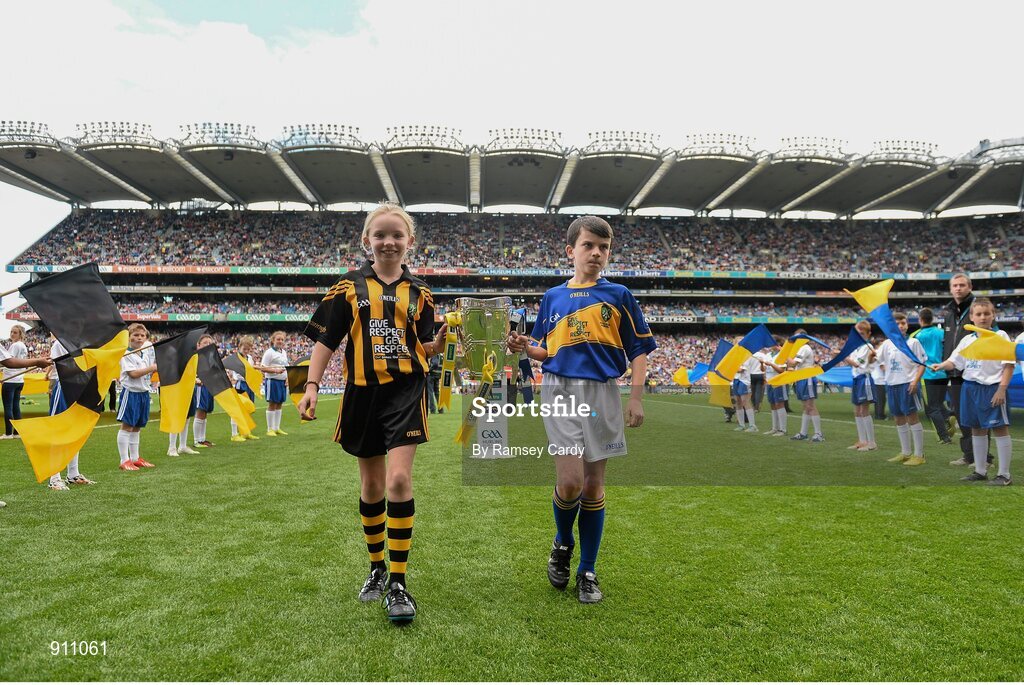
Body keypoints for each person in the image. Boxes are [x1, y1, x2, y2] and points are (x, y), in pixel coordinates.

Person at [298, 202, 448, 624]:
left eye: (397, 235)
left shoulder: (421, 294)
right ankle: (376, 567)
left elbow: (423, 346)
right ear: (367, 240)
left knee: (399, 480)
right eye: (380, 234)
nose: (388, 241)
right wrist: (311, 386)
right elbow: (325, 342)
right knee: (372, 485)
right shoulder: (347, 287)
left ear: (410, 242)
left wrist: (441, 344)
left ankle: (399, 582)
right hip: (361, 394)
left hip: (406, 391)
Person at [508, 215, 657, 605]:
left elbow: (640, 349)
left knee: (593, 485)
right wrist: (525, 346)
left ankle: (587, 569)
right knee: (571, 481)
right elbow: (544, 349)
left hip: (603, 393)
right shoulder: (553, 297)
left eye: (603, 247)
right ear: (570, 251)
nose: (596, 253)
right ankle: (562, 542)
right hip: (559, 389)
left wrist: (636, 397)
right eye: (589, 245)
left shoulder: (620, 295)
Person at [931, 298, 1013, 485]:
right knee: (976, 429)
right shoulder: (967, 339)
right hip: (970, 388)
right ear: (972, 317)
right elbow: (955, 361)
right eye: (978, 314)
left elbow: (1008, 365)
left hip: (992, 388)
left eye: (987, 313)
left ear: (993, 315)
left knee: (1000, 429)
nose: (983, 317)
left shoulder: (1000, 336)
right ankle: (980, 470)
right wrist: (940, 365)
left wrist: (1001, 390)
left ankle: (1004, 475)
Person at [940, 273, 989, 466]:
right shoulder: (949, 313)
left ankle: (985, 459)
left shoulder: (978, 309)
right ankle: (969, 456)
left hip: (975, 373)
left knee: (980, 418)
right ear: (951, 289)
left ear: (969, 287)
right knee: (963, 417)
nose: (958, 288)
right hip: (954, 371)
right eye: (955, 285)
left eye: (962, 285)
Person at [878, 313, 927, 465]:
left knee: (912, 417)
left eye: (903, 323)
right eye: (897, 323)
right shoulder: (887, 344)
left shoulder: (913, 342)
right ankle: (905, 452)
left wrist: (915, 381)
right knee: (898, 418)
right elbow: (880, 361)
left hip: (908, 383)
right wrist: (887, 371)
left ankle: (919, 455)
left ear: (907, 325)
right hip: (892, 384)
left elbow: (922, 364)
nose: (901, 326)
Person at [117, 323, 157, 471]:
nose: (139, 338)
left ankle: (135, 458)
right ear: (129, 337)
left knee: (137, 427)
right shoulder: (126, 353)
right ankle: (124, 460)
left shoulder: (145, 352)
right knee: (127, 426)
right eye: (135, 335)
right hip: (131, 392)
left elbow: (150, 348)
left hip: (143, 392)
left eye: (142, 335)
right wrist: (151, 368)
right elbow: (133, 374)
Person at [912, 307, 955, 444]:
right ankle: (949, 415)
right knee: (938, 403)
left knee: (932, 408)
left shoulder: (917, 336)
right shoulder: (941, 332)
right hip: (943, 372)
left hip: (928, 374)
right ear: (932, 319)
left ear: (920, 320)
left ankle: (944, 436)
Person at [845, 320, 877, 452]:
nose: (859, 336)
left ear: (868, 334)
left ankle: (871, 442)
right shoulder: (855, 347)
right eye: (858, 333)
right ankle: (862, 440)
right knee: (857, 411)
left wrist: (843, 357)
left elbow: (858, 364)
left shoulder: (867, 347)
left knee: (864, 410)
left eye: (862, 333)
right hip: (857, 379)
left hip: (865, 379)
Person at [788, 329, 823, 443]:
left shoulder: (804, 348)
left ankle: (818, 433)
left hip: (806, 378)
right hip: (802, 378)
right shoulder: (801, 348)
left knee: (810, 406)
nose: (795, 340)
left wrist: (786, 356)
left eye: (797, 337)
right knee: (806, 407)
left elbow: (794, 363)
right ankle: (803, 433)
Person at [229, 335, 262, 442]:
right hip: (241, 384)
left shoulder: (250, 358)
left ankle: (246, 432)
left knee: (248, 408)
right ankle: (234, 434)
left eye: (248, 349)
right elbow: (238, 374)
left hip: (249, 385)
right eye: (244, 348)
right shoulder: (236, 358)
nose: (246, 351)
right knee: (238, 409)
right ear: (239, 346)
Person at [2, 325, 29, 439]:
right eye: (11, 332)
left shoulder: (15, 345)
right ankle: (17, 433)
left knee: (8, 407)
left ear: (20, 334)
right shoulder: (23, 346)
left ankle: (8, 433)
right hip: (19, 380)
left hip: (10, 380)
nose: (12, 334)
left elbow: (9, 361)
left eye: (15, 332)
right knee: (15, 407)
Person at [261, 331, 289, 437]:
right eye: (278, 339)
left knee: (280, 403)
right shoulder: (269, 352)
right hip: (272, 381)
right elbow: (263, 368)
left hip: (282, 382)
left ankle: (277, 428)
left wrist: (287, 378)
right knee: (272, 404)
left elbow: (286, 366)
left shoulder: (284, 352)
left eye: (282, 339)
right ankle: (270, 429)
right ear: (273, 340)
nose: (280, 341)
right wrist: (275, 371)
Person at [192, 333, 217, 448]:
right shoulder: (196, 356)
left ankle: (202, 439)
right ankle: (197, 440)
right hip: (200, 387)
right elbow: (190, 372)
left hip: (209, 386)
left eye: (210, 343)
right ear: (198, 345)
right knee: (200, 411)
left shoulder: (211, 357)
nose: (208, 345)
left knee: (205, 412)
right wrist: (196, 379)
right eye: (205, 343)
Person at [760, 337, 789, 436]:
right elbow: (763, 369)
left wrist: (771, 364)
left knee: (779, 404)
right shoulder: (768, 355)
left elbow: (781, 370)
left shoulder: (782, 355)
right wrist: (761, 363)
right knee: (772, 404)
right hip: (769, 381)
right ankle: (774, 428)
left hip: (779, 382)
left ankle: (782, 429)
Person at [731, 351, 758, 433]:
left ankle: (752, 425)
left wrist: (731, 366)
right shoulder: (735, 356)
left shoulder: (746, 356)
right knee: (738, 402)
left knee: (745, 402)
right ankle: (741, 425)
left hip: (744, 381)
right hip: (736, 380)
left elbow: (740, 370)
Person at [869, 335, 887, 421]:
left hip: (875, 378)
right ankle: (880, 415)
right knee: (881, 399)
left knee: (878, 398)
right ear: (877, 345)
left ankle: (878, 414)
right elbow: (883, 367)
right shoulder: (879, 353)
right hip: (879, 379)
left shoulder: (874, 353)